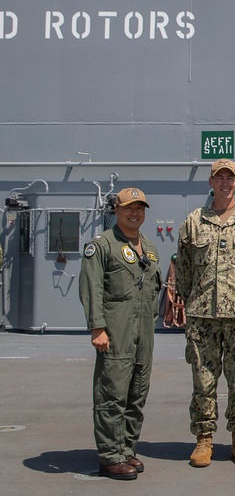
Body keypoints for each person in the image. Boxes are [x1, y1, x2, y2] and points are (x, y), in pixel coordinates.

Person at [176, 159, 235, 468]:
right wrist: (194, 303)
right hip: (203, 319)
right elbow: (184, 271)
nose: (225, 182)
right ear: (211, 182)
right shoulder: (194, 221)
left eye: (230, 178)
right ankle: (204, 440)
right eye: (219, 178)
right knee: (203, 382)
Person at [79, 187, 162, 480]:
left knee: (137, 393)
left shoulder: (149, 247)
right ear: (117, 210)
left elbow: (153, 289)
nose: (135, 213)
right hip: (115, 330)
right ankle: (110, 456)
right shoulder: (102, 245)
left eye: (140, 208)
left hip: (143, 333)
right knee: (111, 393)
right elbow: (92, 287)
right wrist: (97, 326)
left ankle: (127, 448)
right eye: (129, 208)